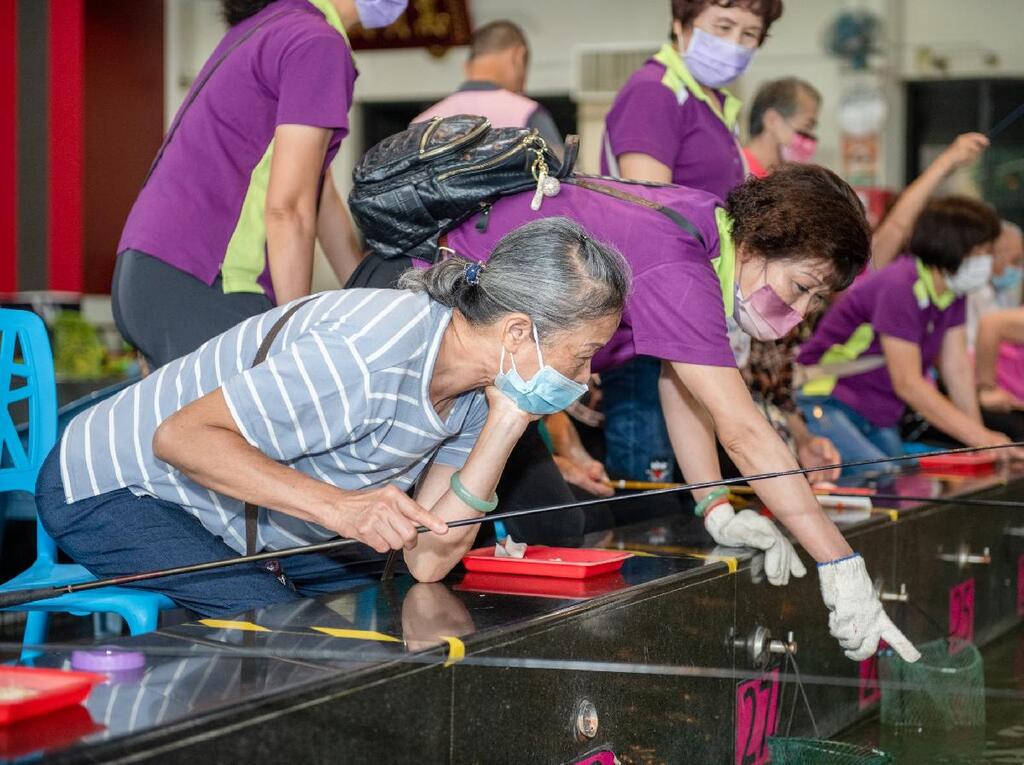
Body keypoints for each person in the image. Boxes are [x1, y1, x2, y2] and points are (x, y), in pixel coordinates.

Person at [351, 164, 919, 663]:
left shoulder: (705, 224)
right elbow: (743, 431)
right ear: (761, 244)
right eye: (801, 287)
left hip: (491, 357)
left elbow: (682, 382)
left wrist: (714, 504)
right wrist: (839, 563)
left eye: (815, 301)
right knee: (410, 519)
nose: (799, 310)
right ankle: (401, 651)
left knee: (547, 523)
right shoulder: (680, 261)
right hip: (425, 317)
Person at [37, 219, 630, 617]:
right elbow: (181, 438)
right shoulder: (370, 352)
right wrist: (341, 508)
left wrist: (506, 426)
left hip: (248, 511)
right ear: (518, 331)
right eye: (581, 355)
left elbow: (429, 560)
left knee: (397, 612)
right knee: (291, 637)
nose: (583, 379)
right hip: (116, 485)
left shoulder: (484, 389)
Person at [112, 0, 402, 370]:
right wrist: (293, 333)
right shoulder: (315, 41)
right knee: (275, 397)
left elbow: (319, 186)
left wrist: (368, 296)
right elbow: (289, 208)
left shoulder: (270, 26)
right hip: (209, 279)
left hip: (152, 269)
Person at [599, 0, 782, 486]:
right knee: (651, 490)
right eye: (723, 26)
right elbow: (648, 216)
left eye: (749, 34)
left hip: (691, 315)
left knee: (692, 481)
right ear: (680, 24)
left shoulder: (715, 103)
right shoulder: (655, 92)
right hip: (646, 323)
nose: (734, 44)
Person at [796, 196, 1019, 470]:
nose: (986, 262)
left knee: (908, 477)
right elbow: (908, 383)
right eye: (981, 251)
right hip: (827, 399)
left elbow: (957, 369)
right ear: (955, 246)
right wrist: (981, 438)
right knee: (881, 476)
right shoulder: (900, 284)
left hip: (879, 413)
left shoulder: (952, 292)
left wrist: (981, 444)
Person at [412, 20, 564, 156]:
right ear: (518, 56)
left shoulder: (419, 125)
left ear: (467, 67)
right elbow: (559, 173)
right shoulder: (527, 113)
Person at [742, 77, 821, 178]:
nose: (810, 136)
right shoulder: (738, 173)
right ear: (772, 120)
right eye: (807, 125)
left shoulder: (779, 178)